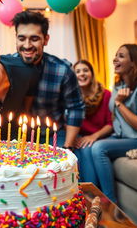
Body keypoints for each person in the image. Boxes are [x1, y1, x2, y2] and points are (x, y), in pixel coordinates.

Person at [8, 11, 84, 148]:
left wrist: (67, 148)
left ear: (46, 39)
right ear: (16, 38)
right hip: (17, 136)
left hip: (53, 134)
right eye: (21, 38)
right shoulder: (5, 68)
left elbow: (75, 109)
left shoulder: (63, 70)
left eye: (34, 39)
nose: (27, 45)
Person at [91, 44, 137, 202]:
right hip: (120, 136)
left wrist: (120, 103)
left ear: (134, 62)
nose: (114, 59)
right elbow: (114, 118)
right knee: (91, 146)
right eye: (116, 55)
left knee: (99, 148)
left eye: (121, 56)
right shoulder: (118, 86)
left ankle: (111, 204)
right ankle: (93, 198)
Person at [73, 60, 113, 185]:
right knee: (80, 151)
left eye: (85, 70)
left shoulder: (106, 94)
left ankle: (96, 194)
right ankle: (87, 194)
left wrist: (94, 136)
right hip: (82, 136)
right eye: (77, 71)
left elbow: (110, 124)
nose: (82, 74)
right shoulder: (72, 96)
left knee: (89, 148)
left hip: (101, 136)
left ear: (92, 74)